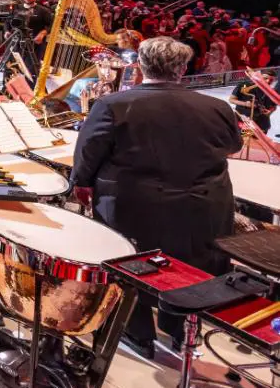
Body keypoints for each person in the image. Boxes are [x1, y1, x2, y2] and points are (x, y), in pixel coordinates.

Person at [71, 35, 240, 357]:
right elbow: (232, 146)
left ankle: (138, 334)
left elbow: (88, 154)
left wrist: (81, 184)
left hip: (135, 206)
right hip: (203, 205)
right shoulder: (217, 107)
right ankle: (179, 330)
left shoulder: (113, 105)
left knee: (131, 263)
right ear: (182, 68)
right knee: (192, 265)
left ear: (140, 65)